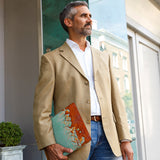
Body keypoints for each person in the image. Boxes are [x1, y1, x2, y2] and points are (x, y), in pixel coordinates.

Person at [33, 1, 134, 160]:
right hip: (73, 136)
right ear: (69, 22)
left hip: (108, 135)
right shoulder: (51, 60)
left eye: (90, 16)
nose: (89, 19)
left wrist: (125, 138)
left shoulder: (103, 57)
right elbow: (41, 109)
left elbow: (116, 101)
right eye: (83, 16)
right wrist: (48, 144)